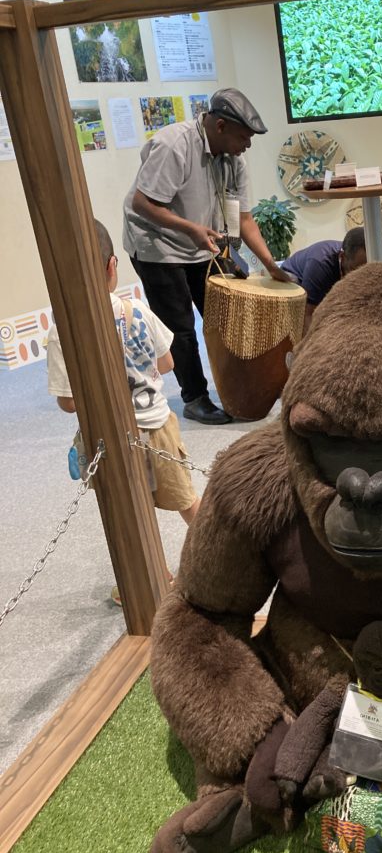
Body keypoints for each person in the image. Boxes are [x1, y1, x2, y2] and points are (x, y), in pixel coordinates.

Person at [47, 220, 200, 603]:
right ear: (112, 266)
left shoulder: (62, 330)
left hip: (108, 435)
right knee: (185, 498)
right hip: (157, 426)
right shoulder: (137, 311)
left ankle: (154, 574)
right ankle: (218, 556)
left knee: (129, 511)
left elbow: (68, 402)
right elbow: (167, 363)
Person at [123, 87, 292, 425]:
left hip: (203, 243)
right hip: (158, 245)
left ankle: (235, 385)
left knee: (223, 317)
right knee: (181, 326)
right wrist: (190, 229)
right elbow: (142, 203)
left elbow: (244, 218)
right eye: (243, 137)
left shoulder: (234, 159)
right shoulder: (174, 145)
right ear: (220, 126)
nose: (247, 145)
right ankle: (195, 397)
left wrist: (271, 265)